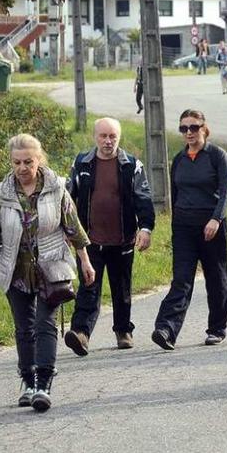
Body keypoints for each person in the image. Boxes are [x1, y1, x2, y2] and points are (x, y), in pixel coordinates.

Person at [0, 134, 95, 411]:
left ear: (39, 159)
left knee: (45, 324)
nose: (22, 168)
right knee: (24, 328)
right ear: (11, 162)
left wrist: (85, 261)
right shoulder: (1, 193)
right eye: (17, 162)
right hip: (15, 268)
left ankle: (43, 383)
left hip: (51, 266)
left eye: (28, 161)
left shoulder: (56, 188)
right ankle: (27, 380)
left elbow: (73, 227)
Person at [63, 118, 155, 355]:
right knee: (88, 286)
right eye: (103, 136)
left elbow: (143, 198)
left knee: (121, 288)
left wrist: (145, 228)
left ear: (119, 138)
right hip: (90, 240)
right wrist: (64, 229)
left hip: (122, 239)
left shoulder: (131, 165)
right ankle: (81, 333)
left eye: (112, 136)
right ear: (95, 137)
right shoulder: (82, 163)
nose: (108, 141)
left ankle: (123, 330)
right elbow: (67, 197)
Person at [152, 110, 227, 350]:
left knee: (216, 279)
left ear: (204, 128)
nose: (189, 132)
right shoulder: (179, 159)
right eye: (184, 128)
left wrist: (216, 219)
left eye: (194, 127)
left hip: (212, 226)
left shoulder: (217, 155)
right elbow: (175, 195)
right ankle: (166, 329)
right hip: (184, 228)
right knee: (181, 279)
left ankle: (217, 328)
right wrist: (175, 227)